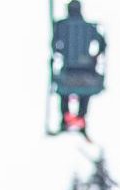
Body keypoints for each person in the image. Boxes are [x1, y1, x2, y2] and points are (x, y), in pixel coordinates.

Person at [51, 1, 106, 133]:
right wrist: (94, 57)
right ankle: (80, 117)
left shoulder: (61, 26)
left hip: (68, 71)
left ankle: (66, 119)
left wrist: (61, 52)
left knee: (64, 92)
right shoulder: (89, 27)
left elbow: (54, 46)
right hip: (87, 71)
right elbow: (102, 44)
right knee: (84, 93)